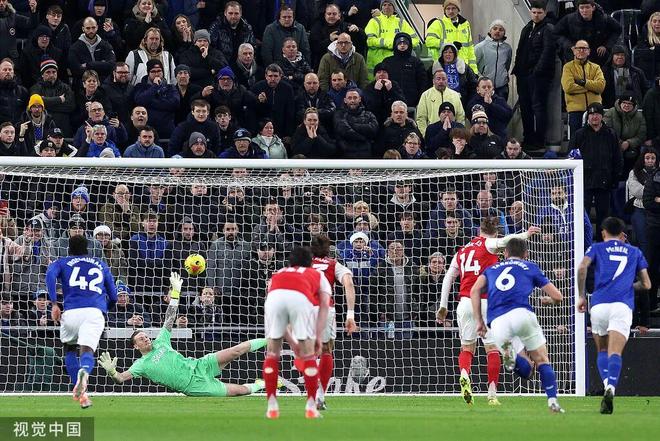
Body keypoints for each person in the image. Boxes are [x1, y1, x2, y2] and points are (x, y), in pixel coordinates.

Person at [98, 272, 268, 397]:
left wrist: (175, 293)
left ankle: (271, 339)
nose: (146, 338)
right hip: (194, 386)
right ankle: (260, 385)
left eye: (146, 336)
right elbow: (121, 378)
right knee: (240, 391)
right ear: (136, 346)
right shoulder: (140, 365)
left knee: (236, 350)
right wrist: (112, 372)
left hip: (200, 365)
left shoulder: (160, 342)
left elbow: (170, 317)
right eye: (141, 339)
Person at [437, 217, 540, 406]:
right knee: (492, 349)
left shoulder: (462, 251)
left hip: (464, 303)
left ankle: (464, 375)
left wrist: (443, 306)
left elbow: (448, 278)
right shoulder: (489, 243)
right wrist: (526, 234)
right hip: (485, 302)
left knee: (467, 348)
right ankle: (492, 393)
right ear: (495, 233)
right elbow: (506, 241)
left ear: (479, 231)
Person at [471, 238, 565, 413]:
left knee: (522, 367)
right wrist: (549, 300)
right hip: (522, 314)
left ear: (505, 253)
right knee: (542, 360)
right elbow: (558, 296)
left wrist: (479, 321)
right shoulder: (530, 267)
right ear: (526, 254)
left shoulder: (491, 269)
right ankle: (553, 401)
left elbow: (475, 290)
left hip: (497, 321)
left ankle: (512, 358)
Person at [577, 217, 651, 413]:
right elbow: (647, 284)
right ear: (622, 233)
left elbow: (582, 267)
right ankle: (611, 387)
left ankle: (606, 385)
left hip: (599, 305)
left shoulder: (597, 248)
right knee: (615, 352)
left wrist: (581, 296)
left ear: (603, 232)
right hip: (622, 306)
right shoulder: (635, 251)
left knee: (602, 350)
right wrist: (628, 286)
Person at [45, 235, 117, 409]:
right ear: (87, 248)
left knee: (70, 349)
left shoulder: (62, 262)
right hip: (94, 312)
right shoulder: (100, 264)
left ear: (69, 248)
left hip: (71, 312)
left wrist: (54, 303)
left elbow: (50, 274)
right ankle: (84, 373)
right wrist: (103, 309)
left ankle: (82, 394)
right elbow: (114, 296)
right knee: (87, 351)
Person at [262, 246, 331, 419]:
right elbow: (324, 306)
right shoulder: (317, 274)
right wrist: (317, 336)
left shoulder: (278, 273)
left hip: (274, 299)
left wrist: (292, 343)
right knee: (308, 355)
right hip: (300, 299)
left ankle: (272, 407)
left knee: (272, 353)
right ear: (310, 263)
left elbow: (277, 309)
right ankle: (311, 407)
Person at [310, 235, 357, 410]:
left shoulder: (302, 264)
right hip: (324, 309)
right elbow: (348, 283)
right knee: (326, 350)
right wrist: (350, 315)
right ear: (328, 250)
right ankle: (320, 396)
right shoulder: (334, 264)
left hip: (303, 307)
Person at [512, 0, 556, 151]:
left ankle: (539, 140)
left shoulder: (548, 28)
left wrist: (537, 71)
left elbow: (547, 52)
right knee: (525, 108)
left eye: (539, 13)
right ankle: (528, 138)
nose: (536, 15)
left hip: (538, 76)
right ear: (530, 12)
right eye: (534, 12)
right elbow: (520, 50)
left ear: (544, 13)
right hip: (523, 75)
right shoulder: (527, 27)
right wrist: (517, 69)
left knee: (538, 108)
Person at [561, 40, 606, 138]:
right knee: (576, 141)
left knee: (595, 140)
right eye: (578, 48)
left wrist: (584, 82)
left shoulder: (596, 67)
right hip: (576, 111)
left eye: (584, 48)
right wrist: (590, 87)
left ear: (589, 51)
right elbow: (568, 87)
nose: (581, 51)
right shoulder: (568, 67)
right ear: (574, 51)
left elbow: (601, 86)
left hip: (595, 110)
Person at [425, 0, 477, 72]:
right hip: (444, 67)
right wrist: (450, 44)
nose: (451, 11)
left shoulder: (465, 25)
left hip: (463, 68)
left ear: (458, 10)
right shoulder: (438, 24)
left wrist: (474, 71)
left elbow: (470, 49)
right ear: (444, 10)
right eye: (448, 8)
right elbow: (429, 41)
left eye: (453, 8)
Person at [475, 20, 512, 100]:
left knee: (501, 107)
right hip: (485, 87)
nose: (497, 31)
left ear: (504, 33)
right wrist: (481, 78)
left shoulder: (507, 48)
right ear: (490, 31)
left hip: (502, 87)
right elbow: (473, 66)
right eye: (495, 28)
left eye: (501, 30)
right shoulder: (480, 47)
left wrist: (504, 76)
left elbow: (507, 65)